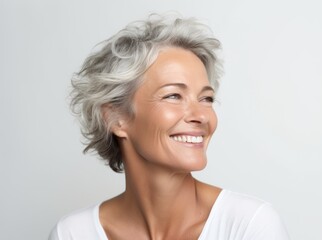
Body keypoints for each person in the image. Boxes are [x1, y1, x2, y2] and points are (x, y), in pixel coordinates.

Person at [49, 14, 290, 240]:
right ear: (116, 118)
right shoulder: (72, 233)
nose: (201, 116)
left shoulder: (250, 226)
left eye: (206, 99)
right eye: (174, 96)